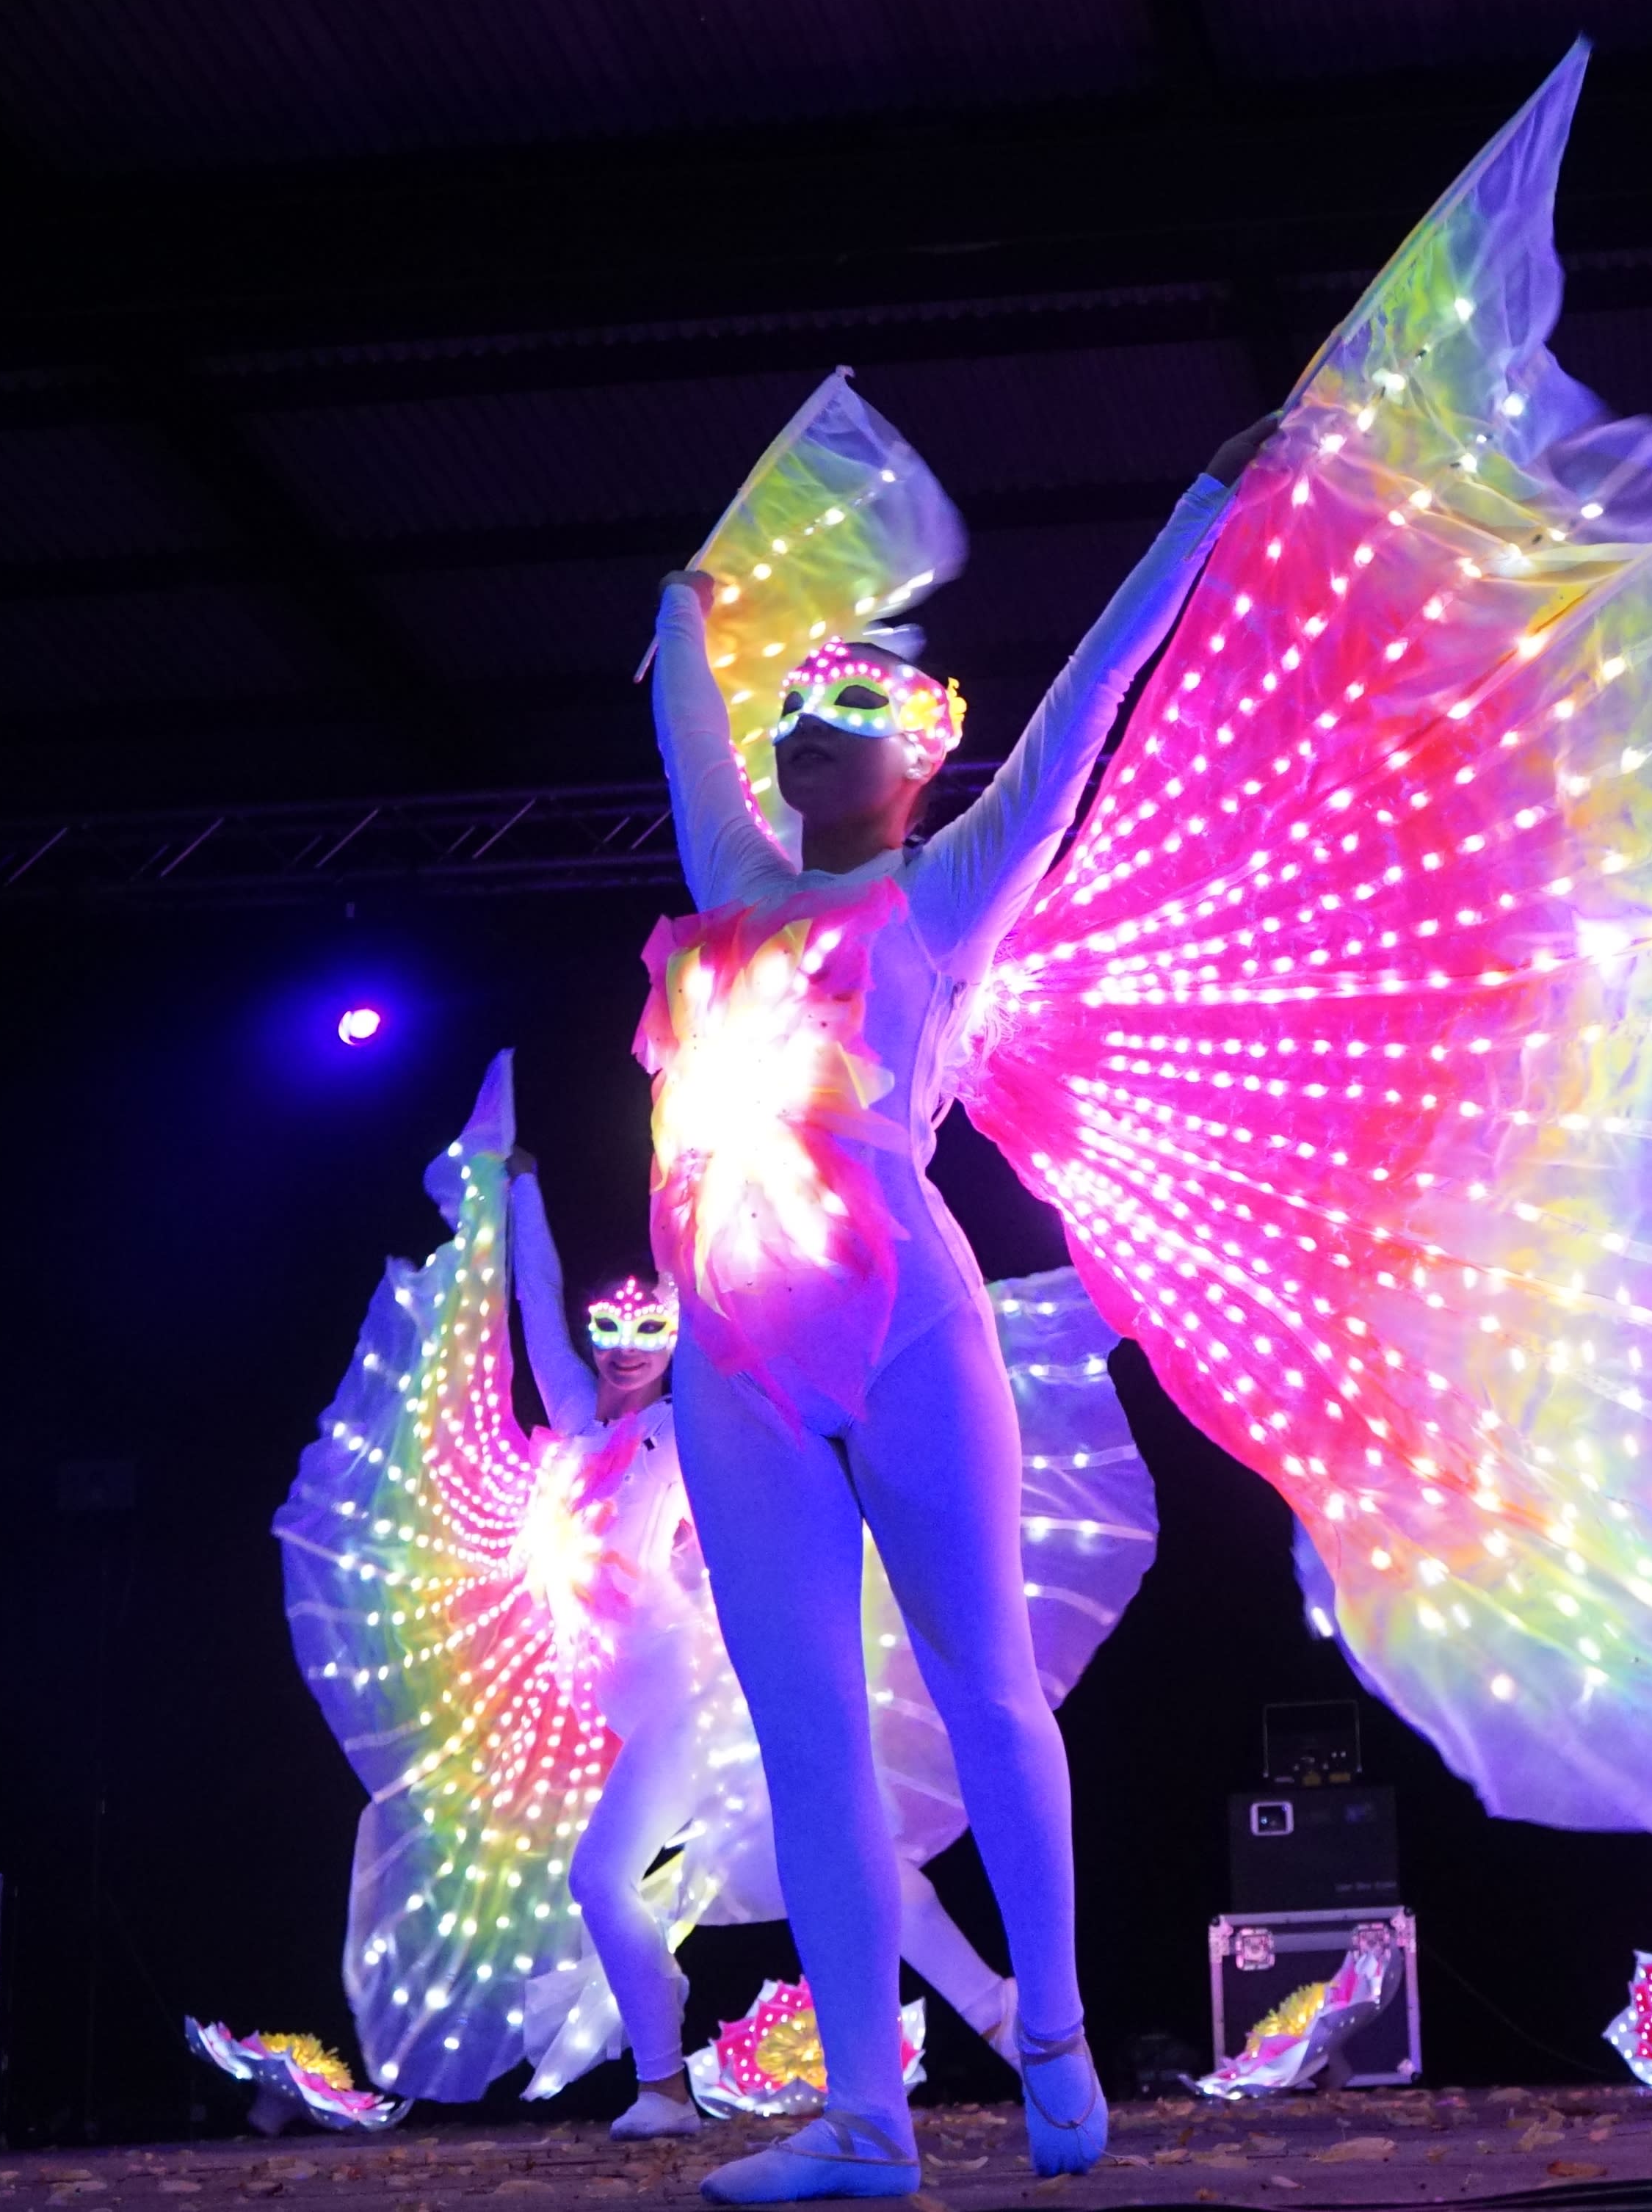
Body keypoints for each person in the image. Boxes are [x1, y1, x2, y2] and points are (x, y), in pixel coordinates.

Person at [636, 410, 1280, 2201]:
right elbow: (682, 718)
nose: (796, 725)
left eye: (840, 707)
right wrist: (682, 610)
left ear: (917, 753)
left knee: (986, 1689)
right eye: (788, 709)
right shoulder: (731, 890)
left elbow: (1086, 704)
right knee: (804, 1735)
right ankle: (865, 2119)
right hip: (731, 1355)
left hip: (905, 1322)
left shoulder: (940, 893)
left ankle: (1054, 2035)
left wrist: (1199, 501)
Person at [501, 1153, 1033, 2141]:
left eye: (651, 1327)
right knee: (829, 1859)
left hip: (688, 1705)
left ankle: (663, 2088)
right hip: (643, 1705)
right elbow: (534, 1301)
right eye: (609, 1327)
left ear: (677, 1333)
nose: (627, 1347)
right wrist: (520, 1186)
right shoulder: (573, 1421)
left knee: (603, 1879)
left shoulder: (681, 1433)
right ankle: (1002, 2016)